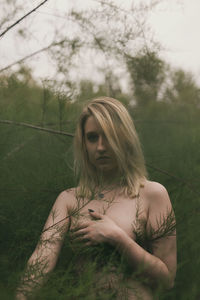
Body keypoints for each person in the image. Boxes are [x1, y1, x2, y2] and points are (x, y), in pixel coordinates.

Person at [16, 97, 176, 300]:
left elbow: (167, 280)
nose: (101, 147)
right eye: (92, 137)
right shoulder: (70, 199)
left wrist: (116, 237)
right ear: (83, 143)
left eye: (109, 136)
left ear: (125, 138)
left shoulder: (153, 195)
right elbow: (42, 259)